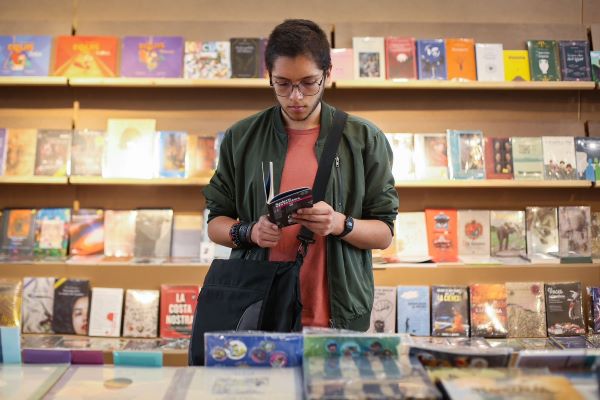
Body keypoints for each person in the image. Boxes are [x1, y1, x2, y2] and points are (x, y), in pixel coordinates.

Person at [203, 19, 399, 331]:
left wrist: (340, 223)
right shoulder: (242, 137)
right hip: (258, 310)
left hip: (335, 312)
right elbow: (216, 223)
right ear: (269, 76)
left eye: (308, 83)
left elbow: (384, 233)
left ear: (328, 74)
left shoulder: (363, 138)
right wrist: (250, 233)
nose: (296, 97)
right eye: (282, 83)